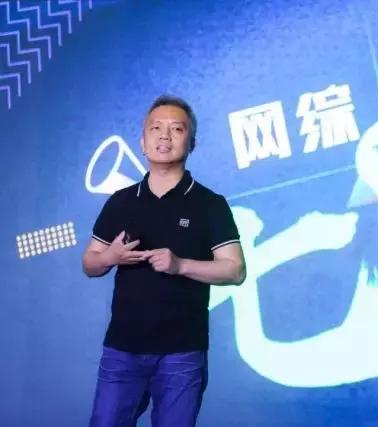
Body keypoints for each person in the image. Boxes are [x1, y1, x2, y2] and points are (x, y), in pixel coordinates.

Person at [82, 95, 246, 427]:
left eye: (176, 129)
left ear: (192, 142)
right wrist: (111, 256)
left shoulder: (210, 204)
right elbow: (90, 263)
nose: (164, 136)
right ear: (142, 142)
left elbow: (236, 270)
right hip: (122, 348)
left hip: (182, 352)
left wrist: (180, 265)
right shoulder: (120, 202)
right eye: (155, 128)